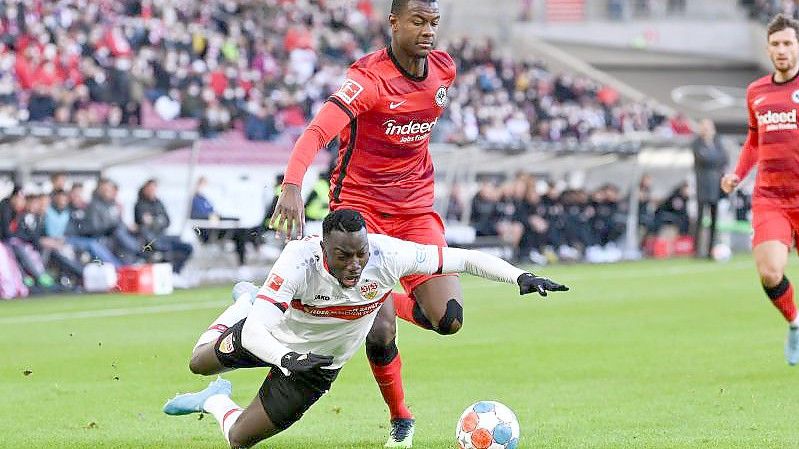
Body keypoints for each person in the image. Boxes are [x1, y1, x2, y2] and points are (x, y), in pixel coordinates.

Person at [163, 209, 568, 449]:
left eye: (361, 253)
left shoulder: (387, 255)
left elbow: (463, 259)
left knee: (238, 439)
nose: (355, 264)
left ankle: (214, 400)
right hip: (277, 338)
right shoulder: (297, 260)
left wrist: (519, 276)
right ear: (323, 250)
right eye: (343, 256)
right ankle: (244, 301)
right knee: (199, 362)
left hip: (317, 367)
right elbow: (254, 335)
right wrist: (286, 356)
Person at [269, 2, 459, 444]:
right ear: (393, 22)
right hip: (361, 213)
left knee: (447, 320)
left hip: (415, 211)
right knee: (381, 331)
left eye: (433, 23)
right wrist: (292, 186)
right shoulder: (367, 81)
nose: (428, 31)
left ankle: (380, 295)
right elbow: (316, 133)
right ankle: (401, 416)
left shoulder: (444, 72)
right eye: (418, 21)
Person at [721, 13, 799, 365]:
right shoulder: (756, 92)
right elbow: (754, 139)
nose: (781, 50)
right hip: (771, 197)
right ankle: (796, 325)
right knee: (770, 272)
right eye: (776, 44)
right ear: (768, 49)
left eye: (788, 43)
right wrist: (738, 174)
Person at [134, 179, 193, 273]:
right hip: (151, 241)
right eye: (150, 188)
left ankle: (176, 273)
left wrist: (154, 221)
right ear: (145, 189)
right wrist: (159, 221)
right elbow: (144, 225)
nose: (152, 191)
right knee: (165, 250)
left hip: (163, 236)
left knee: (187, 247)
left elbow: (167, 222)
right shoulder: (140, 205)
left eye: (154, 188)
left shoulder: (159, 203)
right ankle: (169, 274)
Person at [692, 119, 728, 258]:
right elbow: (705, 159)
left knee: (714, 219)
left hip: (715, 186)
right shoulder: (697, 143)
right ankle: (696, 250)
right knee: (700, 218)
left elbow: (723, 158)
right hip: (702, 185)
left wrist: (713, 158)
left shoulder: (717, 142)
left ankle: (710, 250)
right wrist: (714, 159)